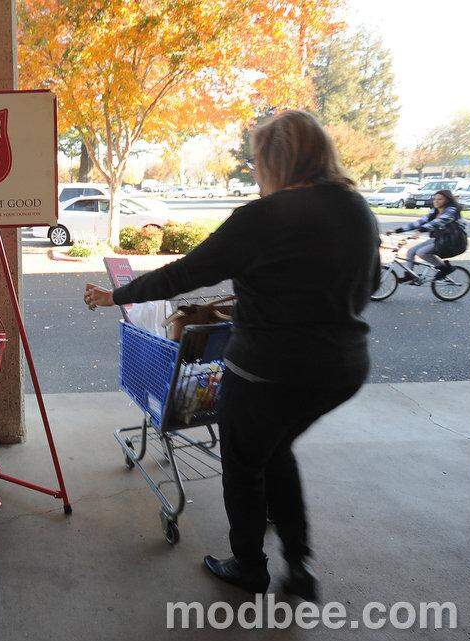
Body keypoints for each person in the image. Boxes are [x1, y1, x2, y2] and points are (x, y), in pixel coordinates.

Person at [85, 110, 380, 601]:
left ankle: (249, 567)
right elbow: (366, 285)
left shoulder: (266, 217)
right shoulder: (356, 208)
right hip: (342, 369)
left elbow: (185, 274)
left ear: (275, 160)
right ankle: (300, 567)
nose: (254, 170)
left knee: (244, 465)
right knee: (275, 449)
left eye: (256, 160)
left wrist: (117, 295)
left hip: (268, 370)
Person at [390, 189, 464, 283]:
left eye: (440, 199)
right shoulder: (434, 211)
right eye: (434, 199)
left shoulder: (452, 211)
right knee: (411, 251)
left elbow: (437, 222)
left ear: (447, 200)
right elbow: (419, 222)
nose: (436, 201)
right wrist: (397, 230)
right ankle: (410, 275)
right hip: (440, 239)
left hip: (453, 241)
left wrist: (420, 230)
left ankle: (445, 268)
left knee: (422, 252)